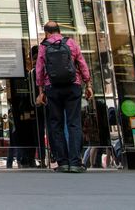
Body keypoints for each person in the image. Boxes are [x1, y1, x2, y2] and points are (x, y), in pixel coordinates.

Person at [36, 21, 92, 173]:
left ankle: (63, 162)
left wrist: (41, 91)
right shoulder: (71, 43)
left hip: (52, 87)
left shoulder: (44, 46)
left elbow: (39, 70)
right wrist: (88, 84)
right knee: (74, 123)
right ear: (59, 31)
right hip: (73, 86)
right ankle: (75, 162)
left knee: (56, 124)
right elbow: (82, 64)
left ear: (47, 33)